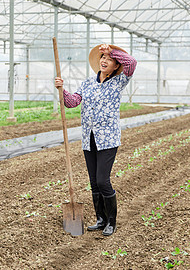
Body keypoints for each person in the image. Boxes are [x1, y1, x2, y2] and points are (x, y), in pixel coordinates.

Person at [54, 44, 137, 236]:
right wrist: (62, 89)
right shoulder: (87, 83)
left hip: (107, 138)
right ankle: (100, 219)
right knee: (93, 182)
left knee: (102, 180)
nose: (104, 60)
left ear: (117, 65)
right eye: (102, 57)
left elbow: (131, 62)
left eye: (109, 59)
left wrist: (112, 50)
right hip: (89, 138)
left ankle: (111, 221)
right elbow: (72, 102)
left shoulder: (119, 82)